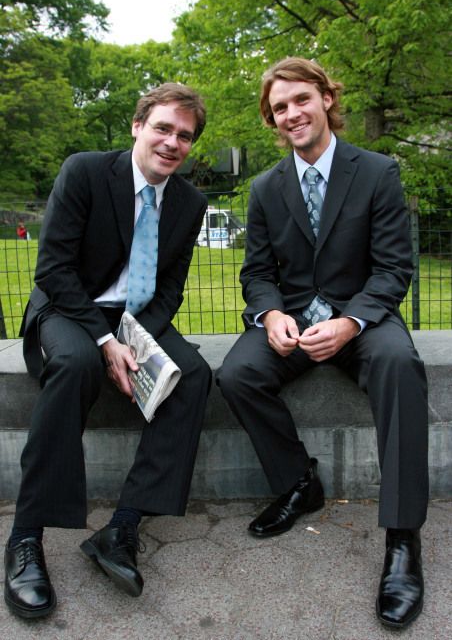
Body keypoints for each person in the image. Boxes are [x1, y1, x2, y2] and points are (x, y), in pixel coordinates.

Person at [217, 57, 428, 629]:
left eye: (300, 100)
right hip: (294, 320)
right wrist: (269, 314)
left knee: (400, 366)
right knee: (235, 375)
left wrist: (350, 323)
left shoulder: (378, 171)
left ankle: (403, 538)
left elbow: (393, 268)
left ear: (326, 99)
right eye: (279, 107)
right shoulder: (265, 188)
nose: (291, 114)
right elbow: (257, 272)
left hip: (363, 319)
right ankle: (299, 484)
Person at [4, 83, 211, 619]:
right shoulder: (87, 171)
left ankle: (122, 527)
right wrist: (104, 342)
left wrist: (137, 340)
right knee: (74, 365)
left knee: (192, 375)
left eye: (184, 136)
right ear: (139, 126)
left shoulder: (189, 203)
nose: (172, 142)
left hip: (135, 318)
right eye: (163, 128)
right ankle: (26, 537)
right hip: (71, 308)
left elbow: (170, 291)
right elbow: (52, 269)